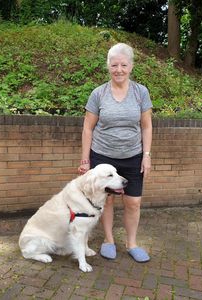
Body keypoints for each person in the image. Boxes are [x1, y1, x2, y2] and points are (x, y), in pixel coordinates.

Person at [78, 42, 153, 263]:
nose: (118, 69)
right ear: (108, 67)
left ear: (131, 66)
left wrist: (146, 155)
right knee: (107, 201)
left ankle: (132, 243)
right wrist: (85, 160)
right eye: (114, 65)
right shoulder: (98, 94)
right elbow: (87, 127)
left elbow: (147, 126)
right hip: (102, 156)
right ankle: (109, 240)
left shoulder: (141, 92)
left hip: (133, 156)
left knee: (133, 202)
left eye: (123, 65)